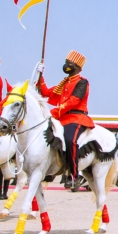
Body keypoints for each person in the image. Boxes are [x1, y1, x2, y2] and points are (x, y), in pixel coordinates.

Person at [35, 51, 95, 193]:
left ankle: (74, 175)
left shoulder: (82, 82)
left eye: (70, 63)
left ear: (78, 67)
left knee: (70, 140)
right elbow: (45, 93)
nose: (67, 65)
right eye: (66, 61)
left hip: (75, 118)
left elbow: (74, 101)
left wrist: (53, 112)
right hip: (60, 118)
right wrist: (40, 76)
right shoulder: (63, 83)